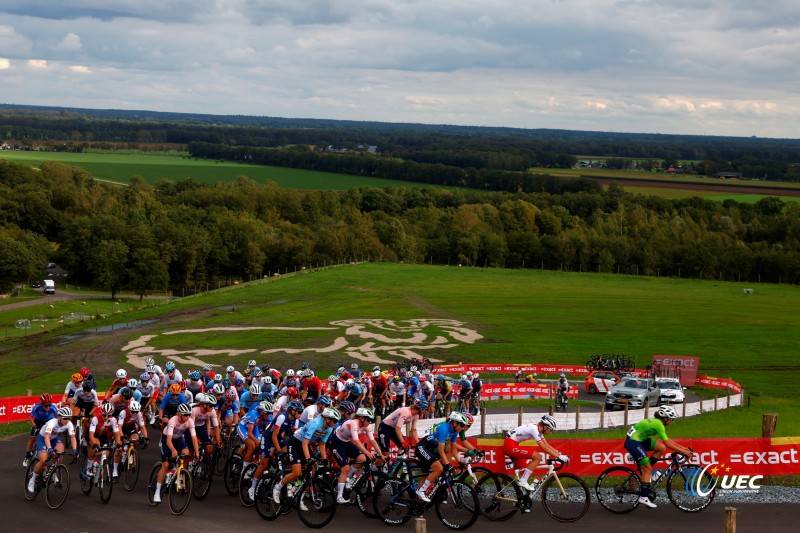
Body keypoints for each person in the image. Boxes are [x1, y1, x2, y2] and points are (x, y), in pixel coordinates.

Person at [624, 405, 692, 509]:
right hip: (633, 442)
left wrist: (683, 449)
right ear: (665, 418)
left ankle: (647, 474)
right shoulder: (659, 424)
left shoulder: (658, 422)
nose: (672, 421)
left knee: (661, 447)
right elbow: (668, 443)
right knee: (647, 469)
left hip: (639, 440)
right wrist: (683, 451)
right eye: (671, 419)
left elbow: (667, 441)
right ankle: (643, 497)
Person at [272, 407, 341, 507]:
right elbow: (304, 442)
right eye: (334, 420)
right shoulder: (316, 423)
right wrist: (308, 459)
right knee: (297, 472)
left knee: (312, 472)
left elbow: (322, 444)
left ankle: (298, 494)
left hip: (305, 444)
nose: (336, 423)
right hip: (296, 442)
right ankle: (278, 487)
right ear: (327, 419)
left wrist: (325, 459)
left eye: (337, 421)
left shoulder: (330, 429)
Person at [328, 407, 383, 504]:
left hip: (346, 442)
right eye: (368, 420)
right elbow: (357, 442)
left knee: (362, 459)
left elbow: (373, 440)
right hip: (336, 442)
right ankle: (339, 496)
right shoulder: (354, 423)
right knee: (345, 468)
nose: (369, 422)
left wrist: (381, 454)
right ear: (362, 418)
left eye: (371, 420)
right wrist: (367, 452)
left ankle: (346, 476)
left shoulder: (366, 425)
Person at [503, 415, 568, 496]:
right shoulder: (534, 429)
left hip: (513, 444)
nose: (551, 432)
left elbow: (547, 445)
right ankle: (523, 481)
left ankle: (521, 501)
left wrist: (560, 455)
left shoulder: (538, 431)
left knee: (524, 471)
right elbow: (543, 447)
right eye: (551, 430)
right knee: (537, 457)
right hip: (510, 445)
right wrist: (558, 457)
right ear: (546, 427)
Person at [413, 411, 471, 502]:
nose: (463, 428)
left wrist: (459, 462)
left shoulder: (455, 431)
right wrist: (447, 464)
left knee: (430, 474)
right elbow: (441, 450)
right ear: (455, 423)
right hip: (423, 447)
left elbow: (453, 448)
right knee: (439, 468)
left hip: (431, 449)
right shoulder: (444, 429)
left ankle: (418, 500)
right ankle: (421, 491)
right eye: (462, 425)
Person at [153, 403, 200, 503]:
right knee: (165, 465)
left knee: (186, 453)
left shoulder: (190, 422)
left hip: (178, 439)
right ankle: (157, 492)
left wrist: (197, 451)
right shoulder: (172, 420)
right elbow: (168, 440)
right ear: (179, 414)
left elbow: (194, 438)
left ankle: (179, 473)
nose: (188, 417)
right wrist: (173, 450)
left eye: (189, 415)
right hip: (167, 439)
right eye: (185, 415)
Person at [27, 407, 79, 493]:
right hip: (43, 438)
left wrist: (75, 450)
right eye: (65, 418)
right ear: (59, 417)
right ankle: (32, 479)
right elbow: (47, 436)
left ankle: (53, 472)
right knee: (43, 460)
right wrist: (50, 449)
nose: (67, 420)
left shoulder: (68, 424)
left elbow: (73, 437)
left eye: (69, 418)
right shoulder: (52, 422)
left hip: (54, 439)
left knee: (61, 452)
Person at [84, 403, 124, 481]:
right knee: (96, 445)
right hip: (93, 434)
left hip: (102, 435)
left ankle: (97, 464)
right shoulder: (96, 418)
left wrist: (118, 443)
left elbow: (116, 433)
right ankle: (88, 468)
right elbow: (91, 435)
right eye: (104, 415)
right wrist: (94, 444)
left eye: (108, 415)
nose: (106, 417)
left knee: (106, 452)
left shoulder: (113, 420)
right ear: (101, 413)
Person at [24, 394, 58, 467]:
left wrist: (56, 428)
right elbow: (30, 417)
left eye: (49, 405)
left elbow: (57, 418)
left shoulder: (53, 408)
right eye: (45, 406)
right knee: (32, 438)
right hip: (38, 422)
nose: (48, 407)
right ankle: (27, 456)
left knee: (48, 437)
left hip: (48, 422)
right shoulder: (37, 407)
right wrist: (34, 426)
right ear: (41, 404)